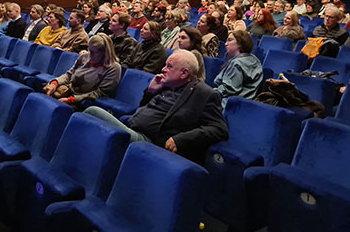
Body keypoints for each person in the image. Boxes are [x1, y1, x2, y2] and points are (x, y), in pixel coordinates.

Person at [84, 50, 228, 163]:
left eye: (169, 66)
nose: (163, 69)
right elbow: (144, 110)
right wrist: (150, 92)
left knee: (92, 112)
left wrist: (180, 140)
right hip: (133, 127)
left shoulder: (204, 93)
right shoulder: (168, 85)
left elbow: (219, 129)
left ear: (184, 73)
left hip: (149, 142)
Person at [43, 34, 121, 108]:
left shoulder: (113, 68)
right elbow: (69, 75)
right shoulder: (84, 57)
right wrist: (55, 83)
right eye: (89, 50)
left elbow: (100, 93)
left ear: (105, 53)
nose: (90, 55)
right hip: (66, 91)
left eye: (94, 52)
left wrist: (72, 100)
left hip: (81, 101)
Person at [213, 30, 264, 108]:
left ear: (240, 43)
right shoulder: (254, 59)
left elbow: (230, 89)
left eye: (230, 40)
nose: (226, 44)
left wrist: (210, 92)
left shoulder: (237, 64)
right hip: (243, 104)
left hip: (228, 104)